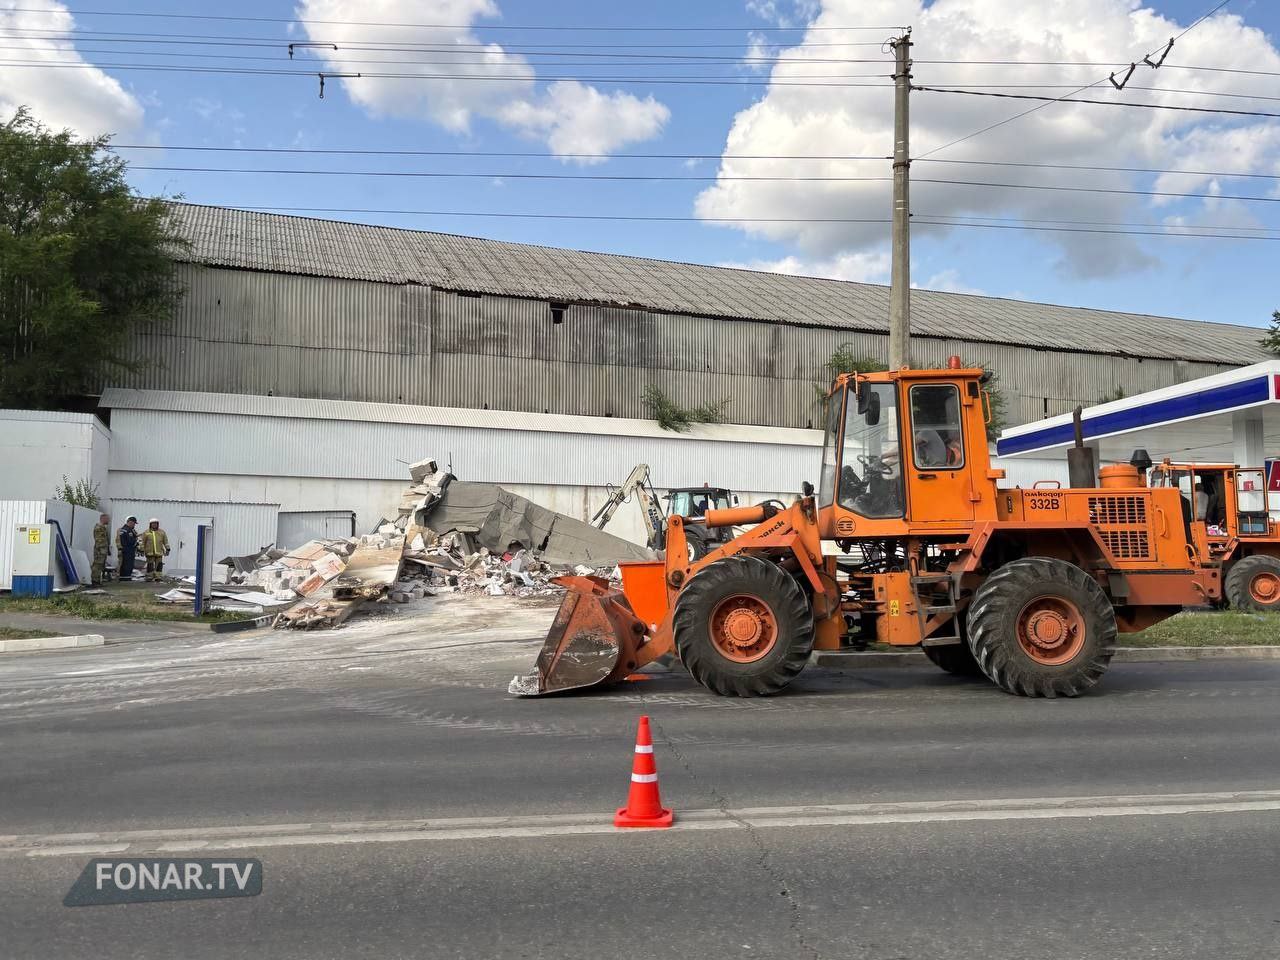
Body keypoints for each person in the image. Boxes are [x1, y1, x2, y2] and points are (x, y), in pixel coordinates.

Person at [116, 516, 139, 582]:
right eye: (134, 523)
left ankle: (125, 577)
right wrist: (137, 542)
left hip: (127, 550)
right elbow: (130, 541)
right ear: (130, 522)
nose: (134, 525)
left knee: (126, 564)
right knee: (127, 564)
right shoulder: (127, 530)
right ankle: (125, 577)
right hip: (127, 550)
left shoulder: (126, 529)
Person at [91, 513, 111, 585]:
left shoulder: (103, 527)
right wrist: (102, 550)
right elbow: (99, 540)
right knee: (97, 565)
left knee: (101, 565)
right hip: (100, 550)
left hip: (103, 549)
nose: (108, 520)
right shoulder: (98, 528)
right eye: (107, 519)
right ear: (103, 519)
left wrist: (107, 550)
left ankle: (98, 580)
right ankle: (94, 581)